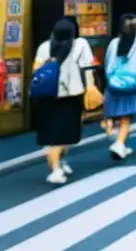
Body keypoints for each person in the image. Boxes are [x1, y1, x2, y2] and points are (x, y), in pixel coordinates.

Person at [32, 18, 97, 184]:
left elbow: (36, 70)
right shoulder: (80, 45)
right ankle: (56, 168)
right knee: (67, 133)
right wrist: (91, 87)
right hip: (72, 94)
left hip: (47, 95)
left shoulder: (44, 46)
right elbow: (88, 69)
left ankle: (57, 165)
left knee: (52, 133)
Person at [104, 14, 136, 161]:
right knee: (127, 116)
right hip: (132, 84)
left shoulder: (114, 43)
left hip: (114, 84)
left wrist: (111, 80)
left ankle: (121, 142)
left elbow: (108, 65)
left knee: (115, 113)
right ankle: (118, 144)